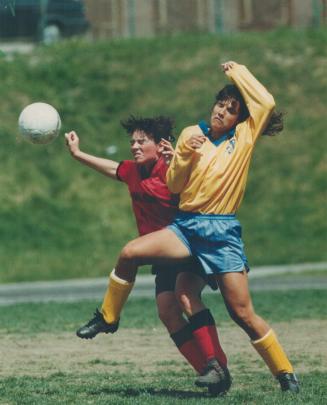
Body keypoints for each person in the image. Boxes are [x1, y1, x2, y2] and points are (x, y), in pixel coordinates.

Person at [82, 62, 300, 394]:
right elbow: (174, 182)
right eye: (221, 105)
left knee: (242, 313)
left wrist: (237, 72)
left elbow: (266, 103)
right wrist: (184, 154)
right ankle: (109, 317)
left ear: (240, 119)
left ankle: (285, 373)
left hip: (222, 232)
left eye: (232, 110)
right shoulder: (189, 133)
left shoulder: (242, 137)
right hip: (186, 227)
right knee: (131, 254)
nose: (222, 113)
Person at [66, 116, 231, 395]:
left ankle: (218, 366)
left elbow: (203, 176)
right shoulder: (134, 171)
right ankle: (211, 373)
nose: (135, 146)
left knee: (184, 297)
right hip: (162, 254)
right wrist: (78, 154)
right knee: (168, 312)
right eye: (132, 142)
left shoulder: (174, 170)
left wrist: (180, 155)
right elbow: (113, 167)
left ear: (160, 144)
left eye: (142, 141)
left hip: (189, 246)